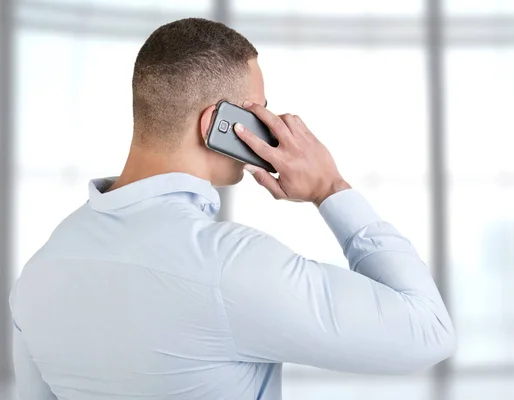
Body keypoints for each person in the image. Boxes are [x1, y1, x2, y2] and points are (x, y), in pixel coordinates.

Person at [10, 18, 455, 400]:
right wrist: (330, 188)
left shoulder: (39, 271)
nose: (266, 122)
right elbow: (428, 330)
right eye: (257, 111)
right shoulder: (231, 265)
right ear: (218, 125)